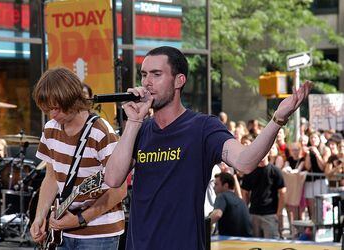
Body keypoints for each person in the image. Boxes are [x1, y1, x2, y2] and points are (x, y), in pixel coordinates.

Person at [104, 46, 311, 249]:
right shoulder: (140, 128)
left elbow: (245, 162)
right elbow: (112, 179)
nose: (147, 82)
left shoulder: (202, 127)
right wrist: (133, 122)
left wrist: (277, 120)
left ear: (179, 80)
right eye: (144, 75)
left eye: (156, 74)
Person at [30, 67, 127, 250]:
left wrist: (80, 219)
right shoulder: (50, 129)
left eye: (56, 109)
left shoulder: (100, 131)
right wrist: (39, 217)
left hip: (100, 234)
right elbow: (51, 178)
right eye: (48, 110)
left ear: (72, 100)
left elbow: (119, 190)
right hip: (61, 232)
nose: (52, 115)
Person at [241, 152, 286, 239]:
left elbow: (282, 192)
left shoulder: (275, 171)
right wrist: (246, 212)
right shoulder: (249, 171)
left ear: (268, 153)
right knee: (254, 244)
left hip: (270, 215)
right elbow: (245, 192)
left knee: (271, 245)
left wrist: (279, 212)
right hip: (253, 213)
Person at [209, 172, 252, 237]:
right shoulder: (241, 201)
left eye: (216, 184)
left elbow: (217, 214)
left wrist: (202, 225)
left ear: (226, 185)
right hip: (246, 242)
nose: (214, 187)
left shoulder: (222, 196)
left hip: (228, 241)